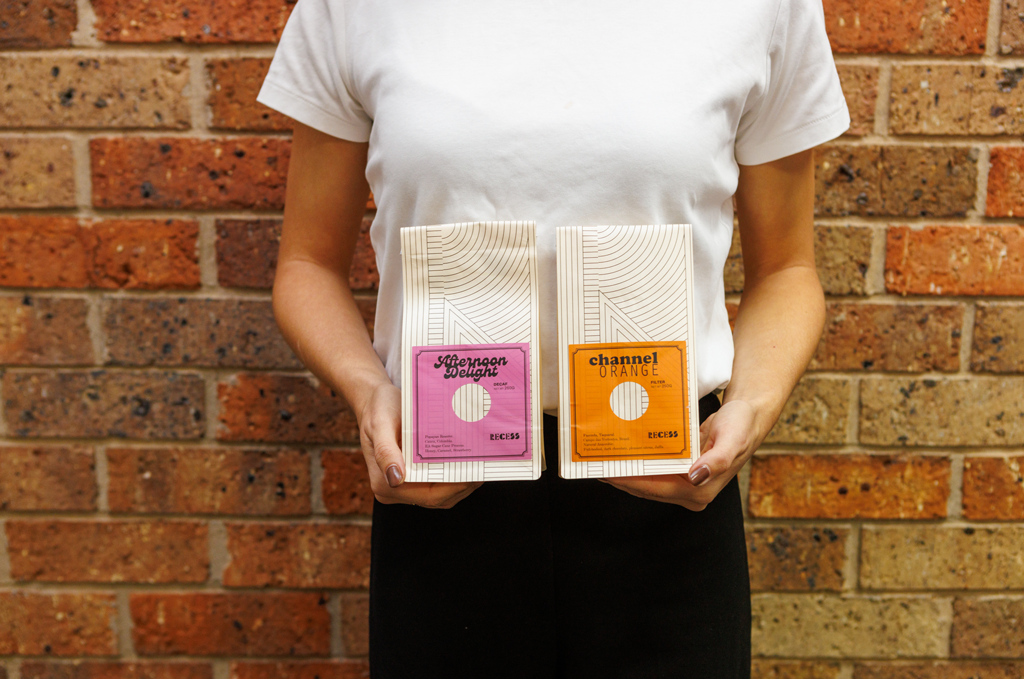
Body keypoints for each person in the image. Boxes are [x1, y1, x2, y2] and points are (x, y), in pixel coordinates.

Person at [257, 0, 849, 676]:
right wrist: (368, 394)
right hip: (444, 485)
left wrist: (750, 409)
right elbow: (306, 265)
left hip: (665, 488)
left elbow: (789, 270)